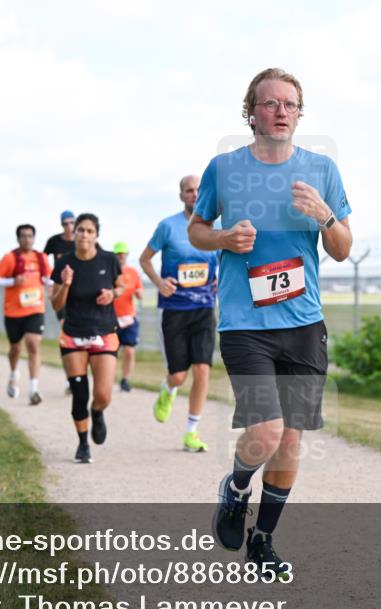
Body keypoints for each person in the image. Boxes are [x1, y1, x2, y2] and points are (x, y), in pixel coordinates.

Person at [188, 68, 352, 576]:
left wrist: (326, 216)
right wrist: (223, 240)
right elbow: (197, 230)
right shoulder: (224, 168)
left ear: (300, 113)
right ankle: (236, 487)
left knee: (292, 439)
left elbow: (343, 249)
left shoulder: (322, 169)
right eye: (270, 103)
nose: (280, 111)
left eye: (290, 104)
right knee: (267, 429)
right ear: (251, 112)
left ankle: (263, 541)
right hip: (245, 323)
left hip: (304, 323)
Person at [141, 176, 219, 452]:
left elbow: (227, 258)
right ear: (181, 195)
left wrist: (221, 279)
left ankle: (191, 431)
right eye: (189, 190)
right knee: (178, 375)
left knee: (202, 370)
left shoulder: (217, 225)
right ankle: (168, 389)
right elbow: (145, 259)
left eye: (199, 190)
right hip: (175, 310)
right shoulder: (168, 226)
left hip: (204, 309)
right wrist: (160, 283)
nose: (195, 194)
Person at [50, 213, 124, 463]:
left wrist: (113, 294)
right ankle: (83, 444)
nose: (84, 234)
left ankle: (97, 412)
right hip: (73, 334)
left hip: (104, 332)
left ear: (96, 235)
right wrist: (66, 284)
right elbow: (55, 303)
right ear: (75, 234)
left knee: (103, 395)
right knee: (79, 393)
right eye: (80, 230)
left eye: (89, 231)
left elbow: (121, 285)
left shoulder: (109, 259)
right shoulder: (64, 263)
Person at [0, 224, 52, 405]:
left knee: (33, 344)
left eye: (30, 236)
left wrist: (56, 285)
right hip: (13, 311)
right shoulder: (10, 258)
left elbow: (48, 279)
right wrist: (12, 281)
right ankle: (13, 373)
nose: (27, 239)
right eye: (23, 236)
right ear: (18, 239)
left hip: (35, 309)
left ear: (34, 238)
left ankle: (34, 388)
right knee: (15, 348)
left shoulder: (41, 258)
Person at [45, 210, 78, 395]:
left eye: (71, 222)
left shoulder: (81, 241)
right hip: (61, 293)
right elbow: (42, 259)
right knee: (67, 332)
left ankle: (78, 373)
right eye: (65, 223)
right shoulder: (54, 242)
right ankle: (70, 377)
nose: (69, 226)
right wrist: (50, 282)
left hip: (81, 294)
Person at [112, 241, 144, 393]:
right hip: (111, 318)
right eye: (118, 254)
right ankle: (108, 377)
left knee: (130, 350)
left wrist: (139, 294)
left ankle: (125, 379)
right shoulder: (110, 271)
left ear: (127, 255)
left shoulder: (133, 272)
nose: (121, 256)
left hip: (129, 317)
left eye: (123, 254)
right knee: (111, 352)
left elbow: (140, 291)